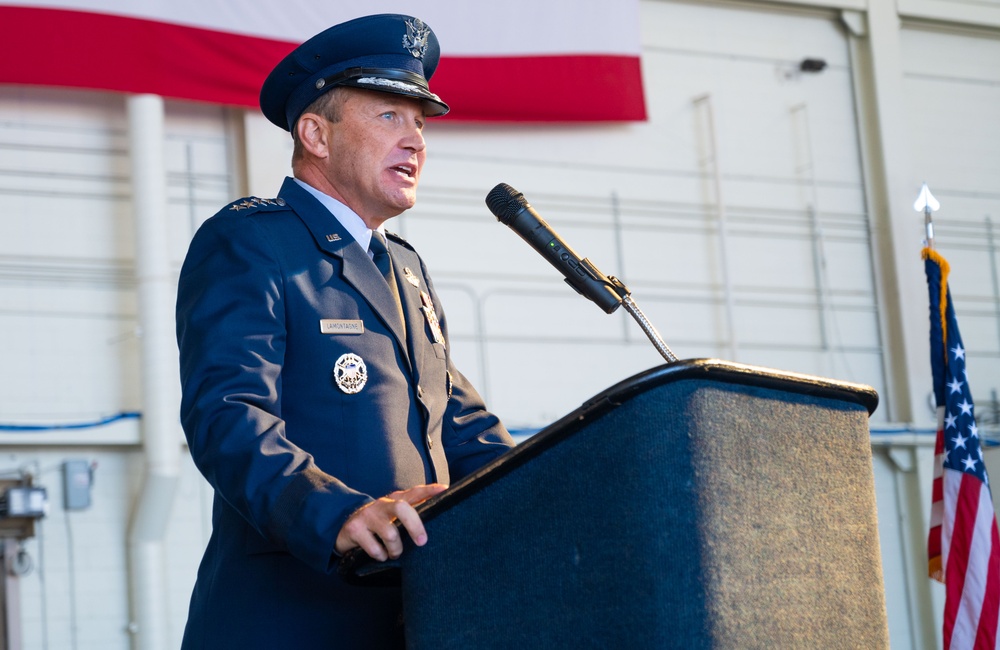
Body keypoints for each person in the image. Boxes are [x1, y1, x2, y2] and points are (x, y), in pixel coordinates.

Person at [175, 14, 515, 648]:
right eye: (389, 115)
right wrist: (337, 513)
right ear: (316, 134)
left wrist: (557, 488)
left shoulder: (405, 267)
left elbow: (458, 425)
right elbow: (227, 414)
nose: (415, 139)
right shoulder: (253, 242)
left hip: (417, 617)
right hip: (291, 620)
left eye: (419, 121)